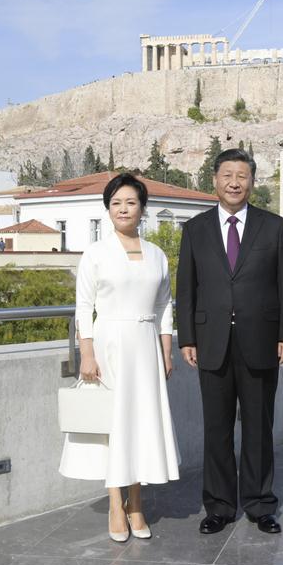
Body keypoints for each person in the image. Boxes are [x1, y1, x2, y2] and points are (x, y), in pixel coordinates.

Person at [176, 148, 283, 535]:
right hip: (211, 343)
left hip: (261, 340)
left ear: (252, 182)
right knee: (217, 429)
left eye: (241, 176)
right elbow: (187, 288)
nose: (234, 182)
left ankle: (261, 505)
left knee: (259, 428)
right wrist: (187, 338)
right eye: (227, 175)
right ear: (214, 179)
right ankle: (220, 506)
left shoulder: (274, 226)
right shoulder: (194, 229)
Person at [59, 173, 180, 543]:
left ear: (142, 208)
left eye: (130, 202)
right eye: (116, 203)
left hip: (145, 346)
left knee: (142, 423)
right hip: (110, 344)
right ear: (108, 209)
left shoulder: (157, 254)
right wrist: (87, 352)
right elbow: (84, 307)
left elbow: (163, 306)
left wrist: (166, 349)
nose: (123, 208)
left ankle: (137, 502)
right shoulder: (95, 254)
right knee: (114, 425)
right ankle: (116, 502)